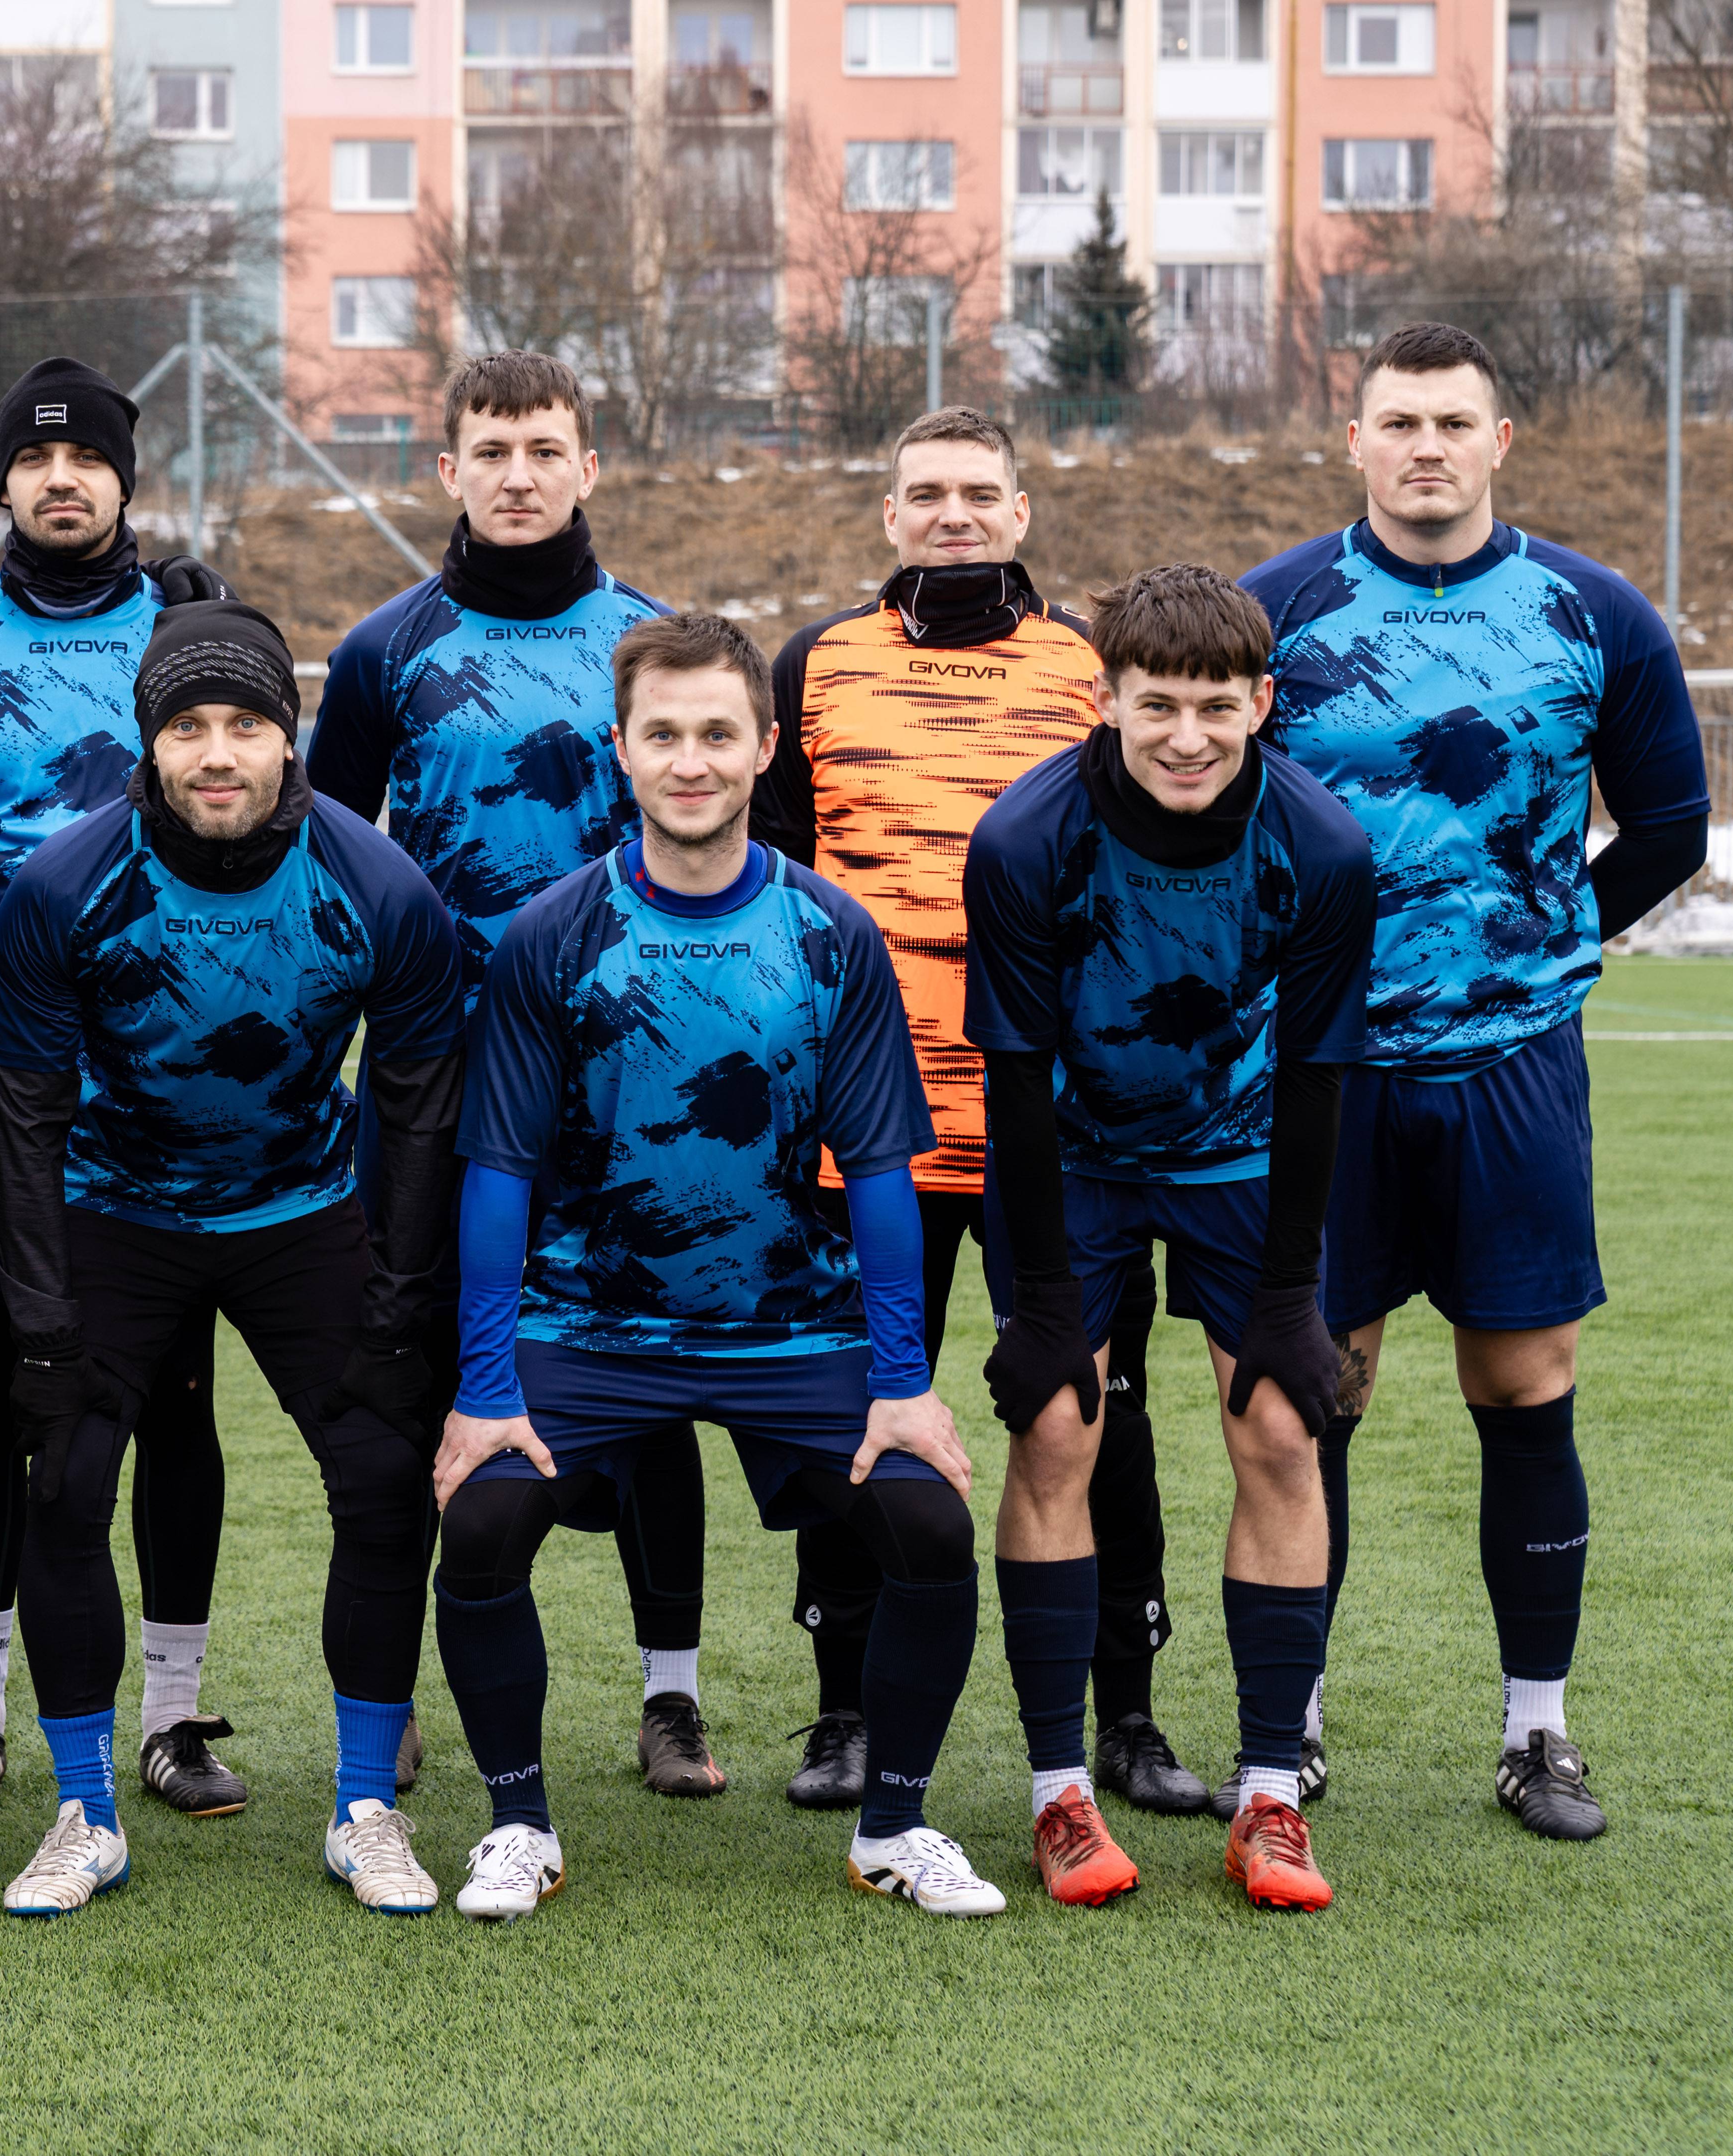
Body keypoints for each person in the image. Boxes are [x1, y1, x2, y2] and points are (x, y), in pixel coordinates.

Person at [434, 612, 999, 1922]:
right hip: (589, 1322)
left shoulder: (830, 932)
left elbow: (878, 1171)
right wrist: (484, 1385)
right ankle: (517, 1825)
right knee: (481, 1519)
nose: (689, 761)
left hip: (793, 1326)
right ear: (620, 750)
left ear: (763, 749)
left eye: (715, 734)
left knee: (929, 1522)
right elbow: (498, 1173)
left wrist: (902, 1380)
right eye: (663, 735)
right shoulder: (552, 935)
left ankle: (894, 1826)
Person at [1241, 321, 1708, 1839]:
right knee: (1315, 1390)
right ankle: (1289, 1724)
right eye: (1398, 421)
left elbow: (1670, 825)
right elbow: (1196, 807)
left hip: (1513, 1064)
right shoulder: (1276, 612)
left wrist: (1540, 937)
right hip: (1323, 1075)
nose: (1425, 447)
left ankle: (1536, 1729)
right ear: (1354, 441)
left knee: (1523, 1384)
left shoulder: (1594, 611)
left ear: (1500, 440)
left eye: (1453, 422)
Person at [0, 600, 465, 1917]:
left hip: (299, 1209)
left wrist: (402, 1299)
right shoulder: (64, 885)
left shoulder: (377, 885)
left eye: (244, 723)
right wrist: (38, 1319)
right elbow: (23, 1116)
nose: (215, 753)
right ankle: (83, 1811)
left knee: (383, 1476)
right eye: (186, 725)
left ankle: (364, 1805)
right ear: (147, 741)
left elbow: (420, 1108)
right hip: (115, 1209)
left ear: (284, 736)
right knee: (64, 1485)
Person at [754, 407, 1206, 1819]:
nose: (952, 514)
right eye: (926, 493)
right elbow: (773, 886)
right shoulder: (816, 663)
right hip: (862, 1124)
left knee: (1093, 1412)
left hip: (1051, 1128)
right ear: (888, 515)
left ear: (1019, 513)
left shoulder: (1088, 667)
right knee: (849, 1408)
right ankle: (843, 1706)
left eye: (977, 493)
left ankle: (1124, 1715)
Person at [308, 351, 721, 1800]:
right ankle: (398, 1690)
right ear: (448, 472)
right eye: (491, 450)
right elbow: (323, 859)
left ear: (587, 466)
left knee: (650, 1375)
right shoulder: (383, 652)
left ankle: (671, 1695)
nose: (519, 474)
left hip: (628, 1084)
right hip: (432, 1083)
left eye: (545, 448)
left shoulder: (649, 644)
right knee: (414, 1375)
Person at [0, 358, 249, 1821]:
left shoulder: (191, 630)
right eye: (35, 459)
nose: (61, 478)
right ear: (2, 483)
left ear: (126, 478)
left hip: (163, 1073)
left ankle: (174, 1713)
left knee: (174, 1398)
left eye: (88, 455)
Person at [963, 564, 1374, 1911]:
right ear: (1105, 700)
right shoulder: (1025, 838)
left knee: (1281, 1432)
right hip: (1072, 1158)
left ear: (1262, 701)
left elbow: (1318, 1073)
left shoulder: (1320, 847)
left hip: (1240, 1155)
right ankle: (1056, 1792)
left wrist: (1290, 1293)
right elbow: (1010, 1073)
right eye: (1156, 706)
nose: (1186, 736)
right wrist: (1039, 1296)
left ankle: (1268, 1795)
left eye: (1214, 706)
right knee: (1055, 1430)